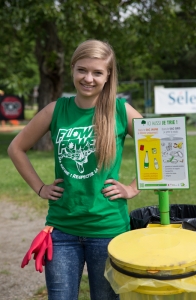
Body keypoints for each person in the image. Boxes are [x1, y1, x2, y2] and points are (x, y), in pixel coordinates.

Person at [8, 39, 142, 300]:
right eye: (82, 69)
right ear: (72, 69)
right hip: (61, 230)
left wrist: (133, 188)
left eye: (97, 72)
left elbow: (160, 147)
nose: (88, 78)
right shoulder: (55, 110)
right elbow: (16, 148)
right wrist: (40, 187)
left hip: (108, 229)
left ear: (108, 76)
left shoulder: (119, 110)